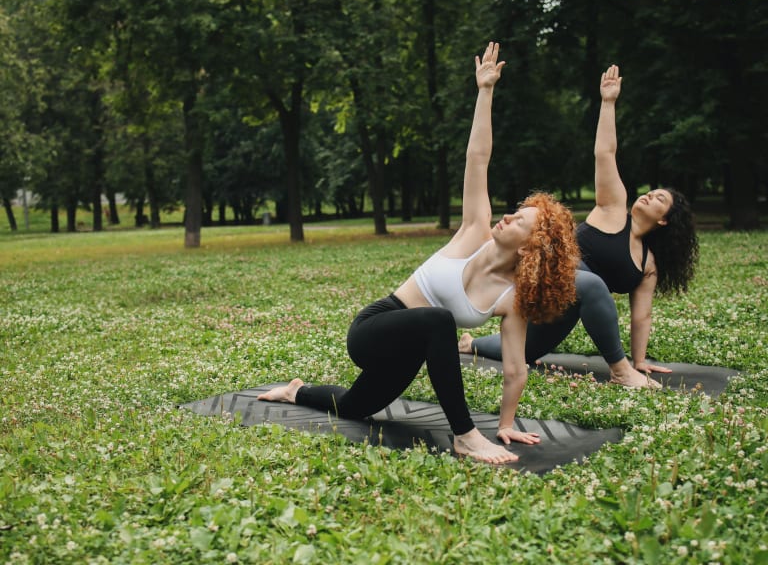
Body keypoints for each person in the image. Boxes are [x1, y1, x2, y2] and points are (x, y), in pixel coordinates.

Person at [257, 42, 580, 464]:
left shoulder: (511, 298)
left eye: (521, 220)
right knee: (440, 320)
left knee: (356, 406)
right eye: (515, 211)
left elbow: (516, 368)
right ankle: (464, 436)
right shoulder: (473, 232)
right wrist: (485, 92)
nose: (507, 216)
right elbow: (478, 158)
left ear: (532, 246)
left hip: (413, 348)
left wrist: (505, 424)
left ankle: (294, 389)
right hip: (376, 327)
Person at [460, 64, 699, 388]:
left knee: (527, 349)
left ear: (664, 220)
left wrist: (641, 360)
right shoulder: (614, 207)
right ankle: (619, 371)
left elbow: (641, 315)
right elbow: (605, 153)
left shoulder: (647, 264)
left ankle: (471, 344)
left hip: (561, 307)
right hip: (540, 281)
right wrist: (609, 103)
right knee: (592, 284)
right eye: (649, 191)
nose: (647, 196)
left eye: (658, 199)